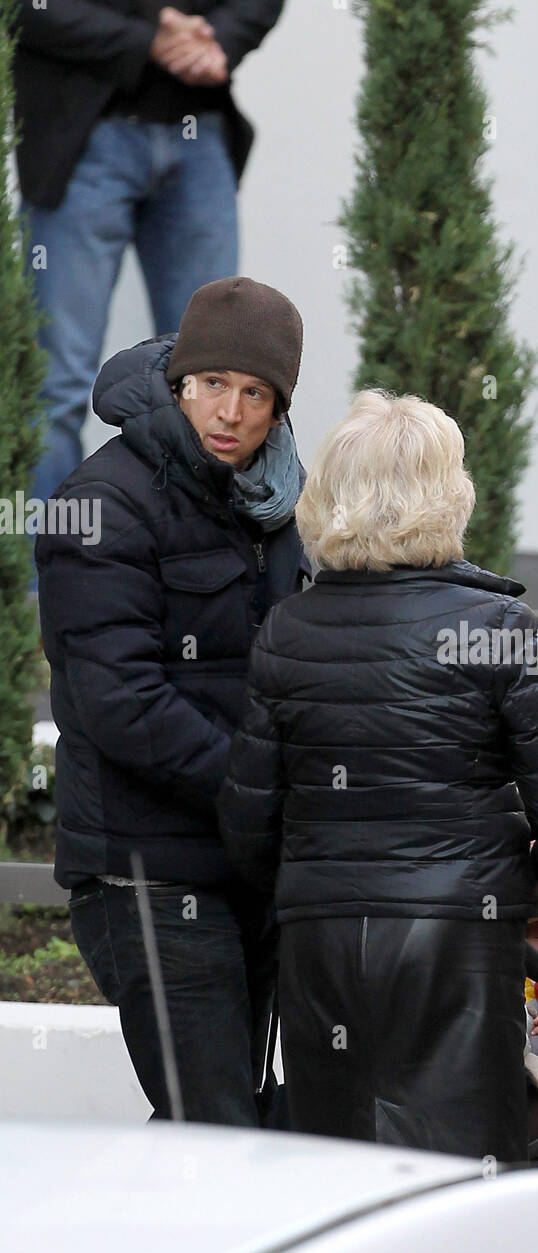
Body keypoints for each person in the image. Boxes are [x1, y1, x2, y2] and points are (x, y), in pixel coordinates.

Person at [217, 388, 538, 1164]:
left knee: (337, 1186)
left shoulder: (287, 632)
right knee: (464, 1186)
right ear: (447, 495)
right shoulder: (497, 629)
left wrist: (311, 885)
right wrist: (530, 880)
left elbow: (247, 825)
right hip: (458, 939)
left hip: (321, 944)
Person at [36, 275, 309, 1127]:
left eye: (255, 393)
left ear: (279, 408)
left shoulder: (273, 504)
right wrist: (260, 783)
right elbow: (123, 705)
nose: (229, 411)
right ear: (179, 381)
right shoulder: (100, 506)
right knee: (215, 1123)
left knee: (235, 1126)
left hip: (243, 866)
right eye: (213, 384)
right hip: (143, 874)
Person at [13, 1, 285, 506]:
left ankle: (199, 569)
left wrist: (216, 40)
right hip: (79, 136)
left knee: (215, 379)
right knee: (55, 384)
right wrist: (147, 40)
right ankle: (39, 575)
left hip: (199, 131)